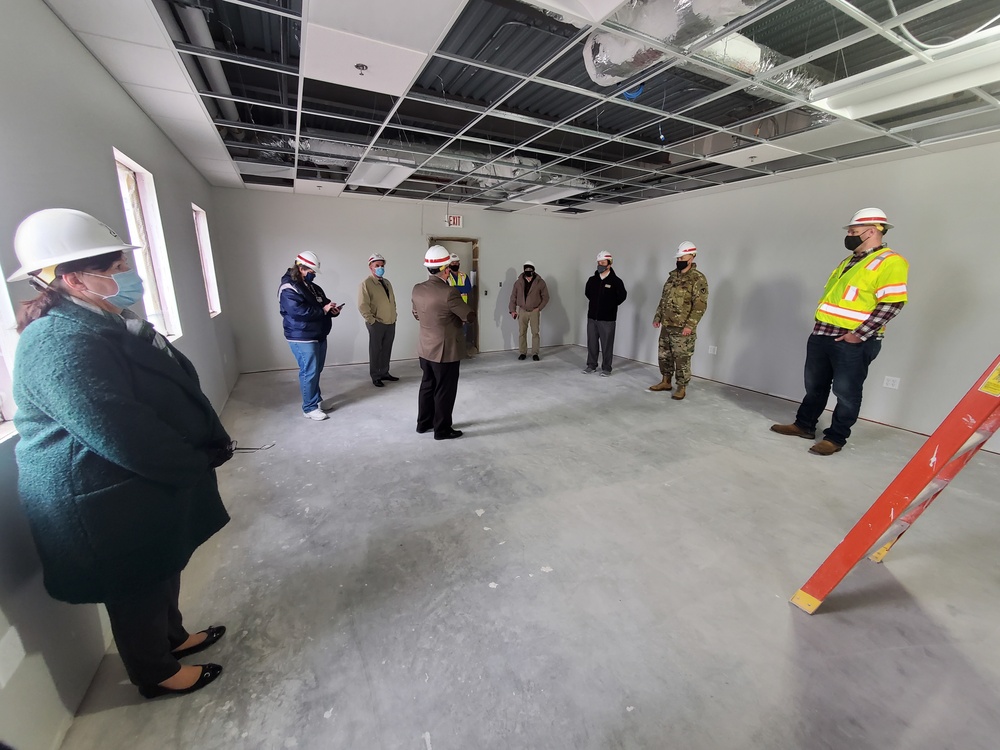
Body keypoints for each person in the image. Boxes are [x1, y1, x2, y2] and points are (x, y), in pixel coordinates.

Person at [7, 208, 232, 699]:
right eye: (112, 271)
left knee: (160, 565)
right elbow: (120, 432)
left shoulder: (103, 319)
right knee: (136, 584)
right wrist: (192, 460)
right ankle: (155, 672)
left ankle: (172, 637)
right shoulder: (57, 341)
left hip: (131, 484)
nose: (125, 278)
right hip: (98, 493)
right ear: (72, 279)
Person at [771, 207, 909, 456]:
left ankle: (835, 438)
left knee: (846, 392)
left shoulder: (890, 262)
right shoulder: (849, 261)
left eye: (854, 231)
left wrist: (859, 334)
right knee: (815, 386)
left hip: (852, 341)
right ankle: (804, 425)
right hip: (822, 334)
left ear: (871, 231)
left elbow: (892, 304)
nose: (849, 235)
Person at [412, 245, 475, 440]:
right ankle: (442, 429)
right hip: (445, 351)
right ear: (446, 269)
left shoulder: (417, 289)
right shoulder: (450, 292)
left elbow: (416, 314)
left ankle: (423, 424)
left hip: (425, 348)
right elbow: (469, 315)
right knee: (445, 391)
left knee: (427, 386)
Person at [278, 251, 342, 420]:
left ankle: (316, 401)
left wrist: (332, 311)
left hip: (317, 334)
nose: (313, 274)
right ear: (300, 268)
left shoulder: (312, 287)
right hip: (301, 336)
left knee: (316, 370)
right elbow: (298, 312)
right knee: (309, 371)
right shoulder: (288, 287)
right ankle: (309, 407)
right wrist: (323, 310)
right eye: (311, 271)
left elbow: (324, 304)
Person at [649, 241, 709, 400]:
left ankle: (681, 387)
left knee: (682, 359)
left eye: (683, 257)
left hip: (683, 328)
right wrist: (658, 317)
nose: (679, 259)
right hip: (667, 325)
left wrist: (690, 325)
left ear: (692, 257)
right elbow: (663, 300)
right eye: (678, 257)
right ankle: (665, 381)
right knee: (664, 356)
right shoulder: (672, 277)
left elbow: (700, 305)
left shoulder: (697, 279)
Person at [583, 250, 627, 376]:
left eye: (603, 262)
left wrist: (610, 306)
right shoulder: (592, 280)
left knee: (607, 344)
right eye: (598, 262)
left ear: (609, 264)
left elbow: (622, 296)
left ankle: (607, 368)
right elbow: (588, 293)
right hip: (592, 318)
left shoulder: (616, 281)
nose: (600, 265)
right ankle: (591, 365)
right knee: (592, 343)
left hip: (607, 319)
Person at [357, 252, 398, 387]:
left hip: (390, 322)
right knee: (376, 350)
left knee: (387, 349)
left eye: (382, 265)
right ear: (371, 267)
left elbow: (392, 301)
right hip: (377, 323)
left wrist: (394, 315)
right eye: (377, 265)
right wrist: (372, 321)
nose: (380, 268)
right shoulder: (366, 283)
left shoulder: (387, 282)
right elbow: (363, 305)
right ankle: (375, 376)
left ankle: (385, 372)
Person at [508, 261, 549, 361]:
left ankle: (535, 353)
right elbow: (513, 297)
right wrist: (512, 310)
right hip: (522, 311)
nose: (528, 271)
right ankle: (523, 352)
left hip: (534, 311)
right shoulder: (518, 282)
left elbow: (546, 297)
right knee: (522, 332)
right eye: (526, 270)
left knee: (535, 333)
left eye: (530, 270)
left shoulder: (540, 282)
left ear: (533, 270)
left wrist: (539, 308)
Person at [446, 253, 476, 356]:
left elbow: (467, 289)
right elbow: (446, 290)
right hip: (450, 309)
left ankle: (461, 352)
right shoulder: (446, 276)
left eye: (457, 262)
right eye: (453, 263)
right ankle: (451, 354)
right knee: (451, 332)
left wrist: (454, 289)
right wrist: (459, 289)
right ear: (449, 264)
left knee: (463, 331)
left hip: (463, 308)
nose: (455, 264)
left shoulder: (464, 276)